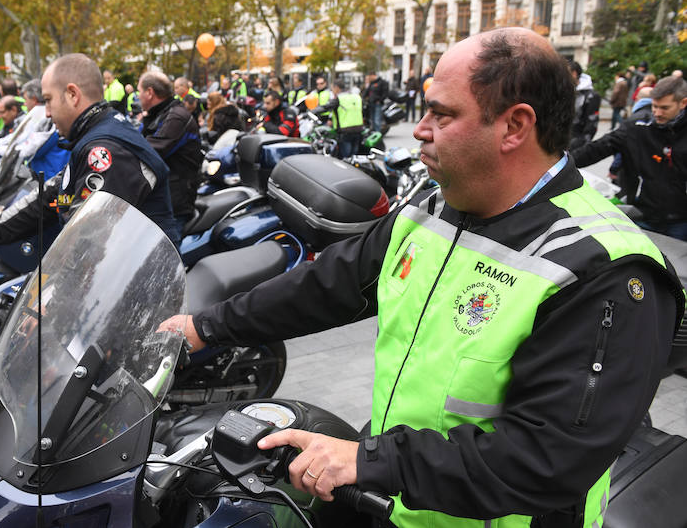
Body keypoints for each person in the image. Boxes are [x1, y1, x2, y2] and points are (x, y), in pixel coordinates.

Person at [158, 27, 684, 528]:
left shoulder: (604, 267)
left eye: (441, 113)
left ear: (514, 126)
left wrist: (371, 461)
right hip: (399, 501)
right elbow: (330, 286)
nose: (420, 129)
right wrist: (206, 326)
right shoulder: (436, 211)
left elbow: (546, 456)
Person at [0, 54, 180, 264]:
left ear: (72, 94)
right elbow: (52, 196)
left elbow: (88, 245)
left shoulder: (106, 150)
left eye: (48, 100)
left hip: (140, 289)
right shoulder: (96, 135)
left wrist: (51, 298)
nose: (46, 112)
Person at [572, 76, 687, 240]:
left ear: (683, 103)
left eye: (664, 108)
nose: (657, 113)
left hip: (681, 221)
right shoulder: (638, 127)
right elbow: (599, 147)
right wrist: (560, 162)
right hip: (644, 215)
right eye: (655, 106)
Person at [138, 71, 202, 234]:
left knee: (166, 256)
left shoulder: (176, 118)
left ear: (150, 93)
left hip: (174, 203)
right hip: (161, 196)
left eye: (140, 92)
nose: (138, 96)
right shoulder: (160, 114)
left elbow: (149, 151)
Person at [316, 79, 364, 158]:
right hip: (358, 129)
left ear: (337, 88)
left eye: (332, 89)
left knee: (346, 157)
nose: (332, 91)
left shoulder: (339, 98)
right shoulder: (356, 97)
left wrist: (312, 111)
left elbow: (326, 107)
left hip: (345, 131)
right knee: (354, 156)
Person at [568, 61, 600, 151]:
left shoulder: (590, 96)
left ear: (574, 73)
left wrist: (580, 145)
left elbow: (591, 123)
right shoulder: (563, 91)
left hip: (574, 144)